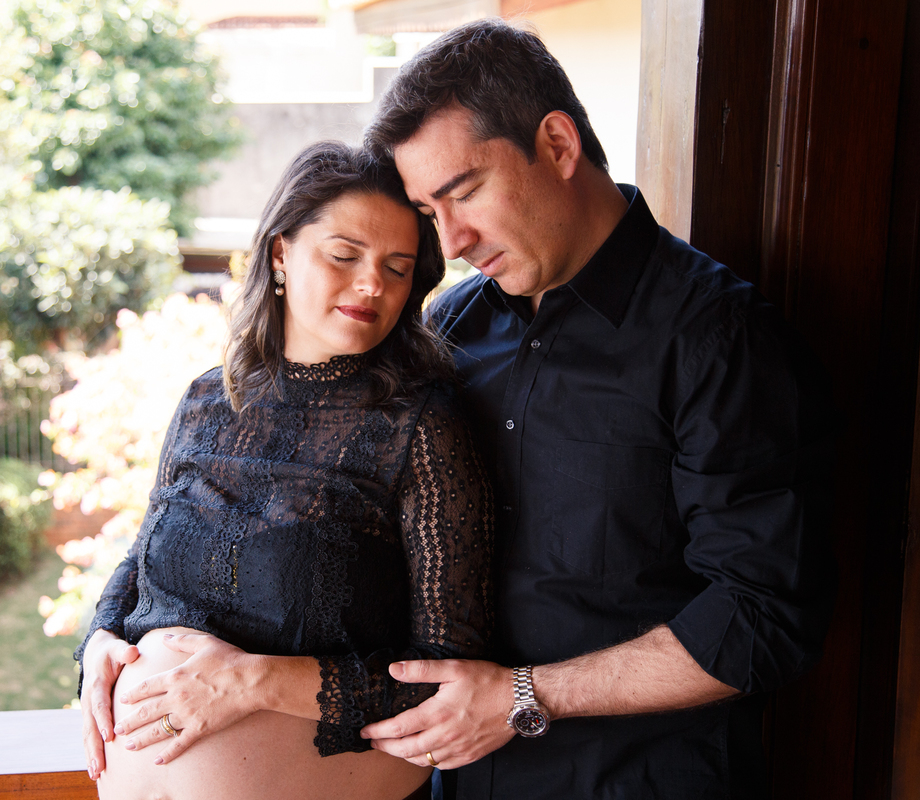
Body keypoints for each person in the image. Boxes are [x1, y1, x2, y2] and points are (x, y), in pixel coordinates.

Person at [358, 19, 836, 800]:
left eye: (465, 192)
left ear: (556, 143)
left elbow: (764, 616)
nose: (455, 238)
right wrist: (135, 625)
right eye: (428, 212)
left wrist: (523, 696)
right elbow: (327, 498)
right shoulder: (451, 328)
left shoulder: (720, 339)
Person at [75, 141, 494, 800]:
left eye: (398, 266)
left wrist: (250, 681)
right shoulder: (207, 398)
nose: (371, 284)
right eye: (344, 255)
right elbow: (144, 551)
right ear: (280, 253)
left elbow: (447, 677)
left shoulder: (420, 426)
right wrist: (99, 637)